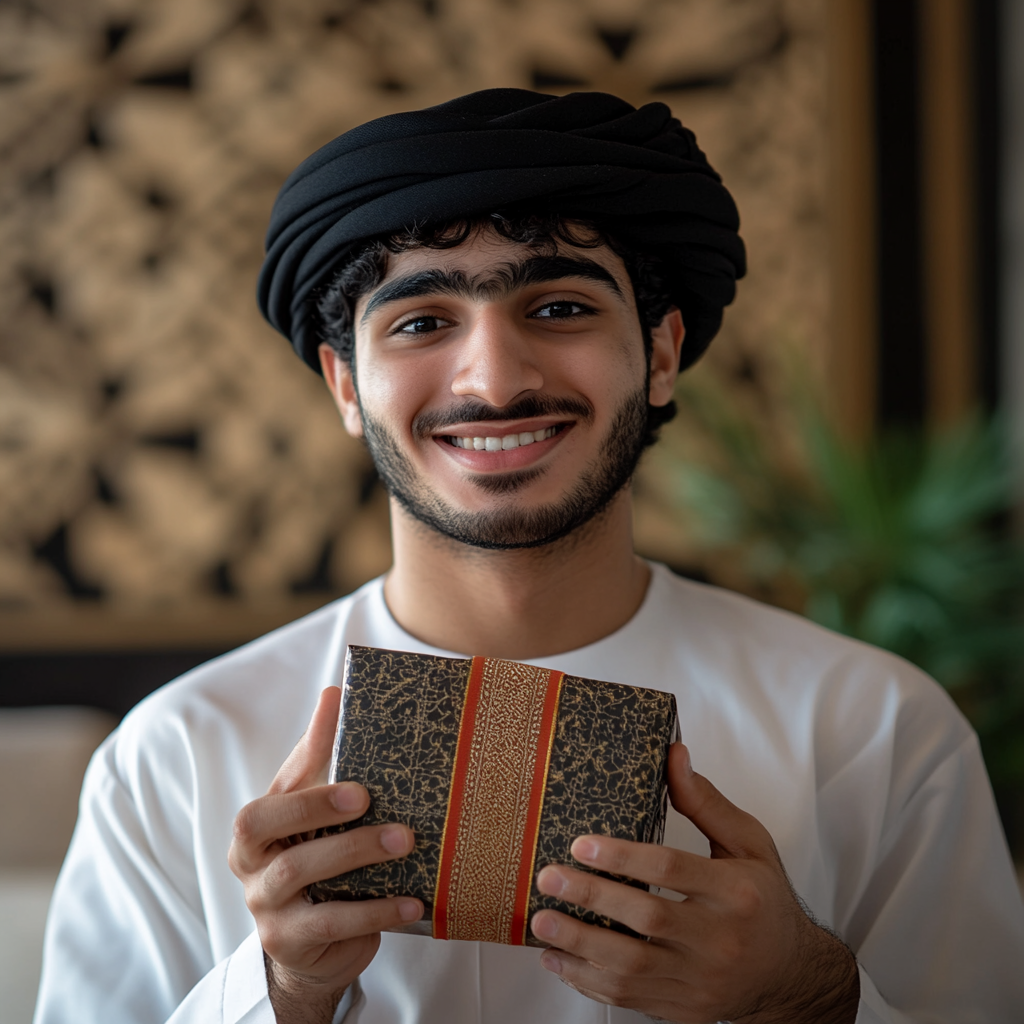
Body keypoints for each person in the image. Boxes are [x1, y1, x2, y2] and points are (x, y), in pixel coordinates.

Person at [35, 89, 1024, 1024]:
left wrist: (806, 996)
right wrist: (281, 989)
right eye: (422, 322)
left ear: (664, 350)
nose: (495, 378)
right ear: (345, 384)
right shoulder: (176, 756)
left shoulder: (874, 730)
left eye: (558, 308)